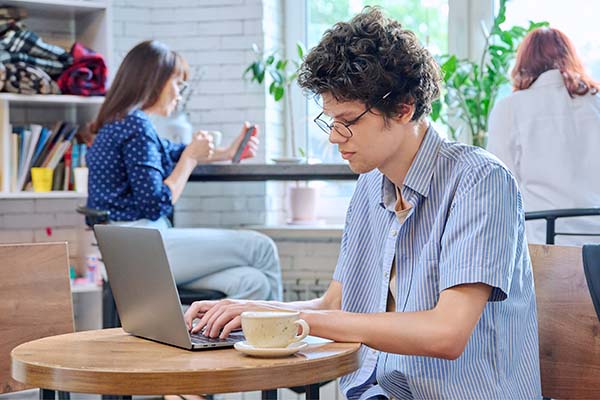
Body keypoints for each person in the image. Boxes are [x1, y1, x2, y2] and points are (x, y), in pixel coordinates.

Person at [184, 8, 541, 400]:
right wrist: (253, 309)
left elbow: (447, 333)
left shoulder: (478, 180)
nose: (335, 137)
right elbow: (335, 302)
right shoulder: (371, 185)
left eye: (348, 120)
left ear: (404, 107)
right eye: (329, 120)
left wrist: (301, 319)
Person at [86, 40, 282, 301]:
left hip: (129, 251)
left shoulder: (118, 123)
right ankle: (284, 337)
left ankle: (244, 339)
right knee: (262, 248)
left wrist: (227, 152)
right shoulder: (136, 126)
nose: (179, 94)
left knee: (251, 281)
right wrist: (190, 158)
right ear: (154, 81)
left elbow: (172, 152)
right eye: (177, 83)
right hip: (143, 247)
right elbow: (156, 204)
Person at [487, 27, 600, 245]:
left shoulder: (510, 108)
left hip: (544, 241)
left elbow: (501, 189)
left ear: (524, 64)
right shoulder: (596, 103)